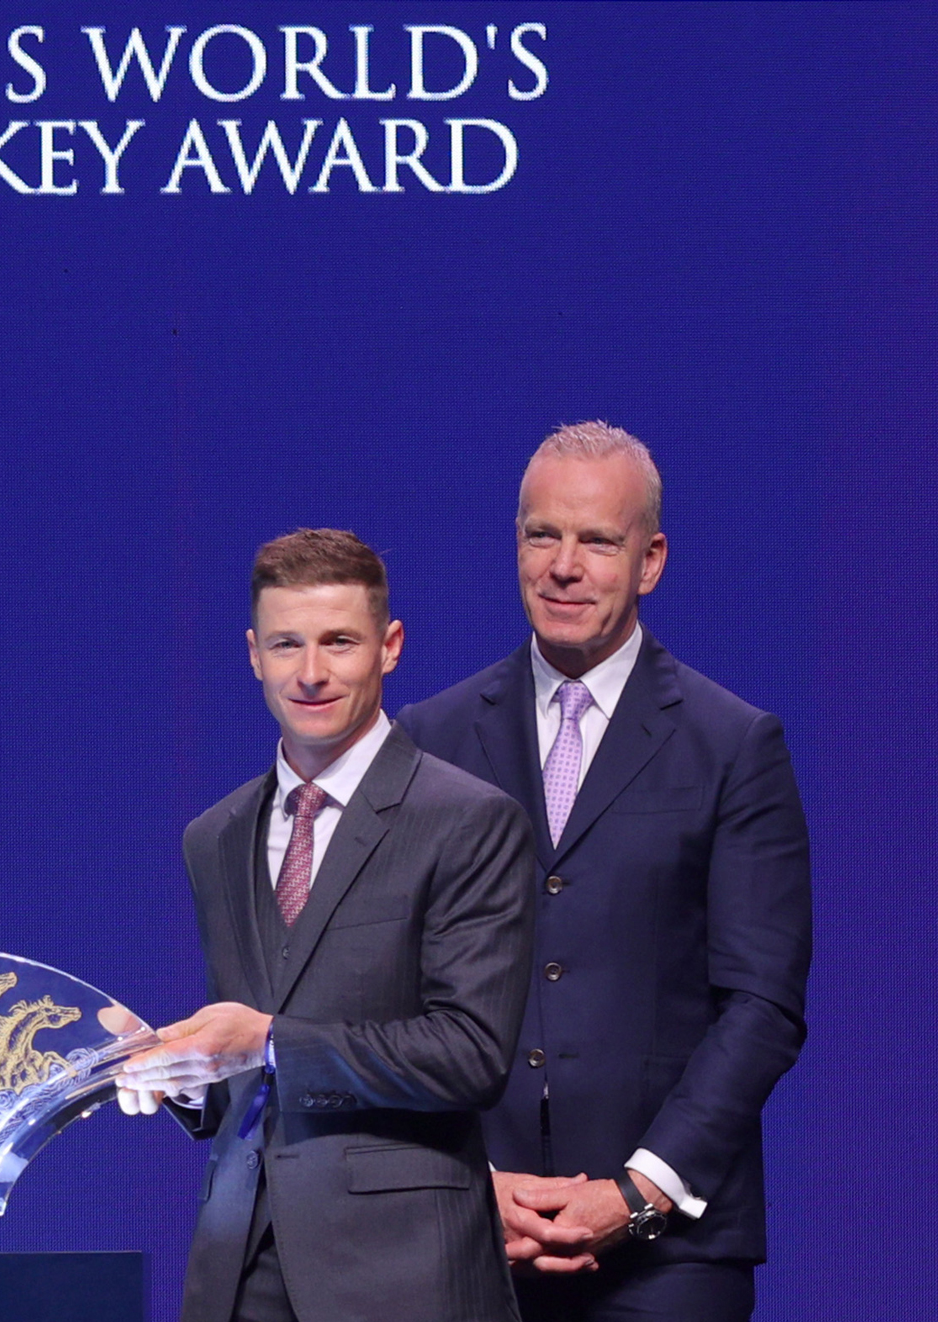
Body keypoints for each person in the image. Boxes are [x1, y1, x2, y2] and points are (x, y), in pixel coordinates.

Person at [395, 423, 811, 1321]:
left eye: (598, 540)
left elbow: (763, 1004)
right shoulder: (430, 739)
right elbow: (394, 990)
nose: (564, 566)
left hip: (670, 1254)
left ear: (651, 560)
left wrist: (637, 1194)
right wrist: (471, 1175)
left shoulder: (733, 745)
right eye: (543, 535)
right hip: (471, 1231)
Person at [119, 529, 535, 1322]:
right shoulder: (215, 836)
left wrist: (266, 1039)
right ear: (252, 654)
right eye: (286, 644)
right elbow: (246, 1067)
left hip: (403, 1270)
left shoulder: (467, 821)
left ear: (390, 646)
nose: (310, 673)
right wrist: (176, 1068)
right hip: (236, 1267)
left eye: (339, 642)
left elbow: (470, 1055)